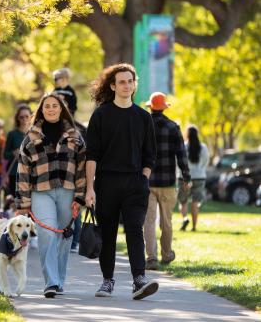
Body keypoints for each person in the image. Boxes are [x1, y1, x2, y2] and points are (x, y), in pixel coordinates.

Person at [85, 63, 158, 300]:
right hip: (106, 183)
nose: (127, 85)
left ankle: (139, 280)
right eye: (122, 82)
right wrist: (89, 188)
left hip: (136, 184)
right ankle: (107, 281)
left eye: (130, 81)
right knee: (108, 234)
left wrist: (143, 178)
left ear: (134, 84)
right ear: (113, 86)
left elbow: (150, 154)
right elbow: (92, 155)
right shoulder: (101, 115)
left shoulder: (143, 117)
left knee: (135, 230)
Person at [15, 92, 86, 298]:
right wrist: (23, 202)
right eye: (47, 106)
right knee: (47, 234)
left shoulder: (75, 135)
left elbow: (81, 168)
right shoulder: (31, 137)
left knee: (63, 236)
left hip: (67, 191)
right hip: (41, 192)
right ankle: (51, 283)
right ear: (41, 110)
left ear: (62, 109)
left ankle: (59, 279)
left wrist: (80, 196)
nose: (51, 109)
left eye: (55, 106)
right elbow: (22, 170)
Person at [143, 92, 191, 270]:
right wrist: (186, 176)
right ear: (164, 107)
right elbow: (181, 154)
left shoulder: (143, 125)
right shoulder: (173, 126)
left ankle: (151, 258)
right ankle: (167, 253)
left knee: (148, 220)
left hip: (146, 181)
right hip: (168, 182)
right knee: (166, 221)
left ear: (150, 107)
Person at [53, 67, 85, 253]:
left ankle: (75, 240)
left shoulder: (70, 91)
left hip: (72, 177)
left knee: (74, 207)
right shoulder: (55, 92)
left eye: (59, 78)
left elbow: (73, 106)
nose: (57, 80)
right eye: (56, 78)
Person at [179, 126, 209, 232]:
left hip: (184, 177)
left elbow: (179, 162)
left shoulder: (183, 146)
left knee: (183, 201)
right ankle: (194, 226)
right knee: (195, 202)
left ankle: (185, 218)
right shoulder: (203, 147)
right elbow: (206, 161)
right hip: (200, 177)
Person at [4, 104, 33, 202]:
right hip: (15, 173)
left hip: (32, 173)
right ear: (17, 118)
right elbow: (5, 155)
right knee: (16, 202)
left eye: (26, 116)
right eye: (21, 117)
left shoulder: (35, 133)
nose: (24, 119)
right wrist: (13, 153)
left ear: (31, 117)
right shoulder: (12, 134)